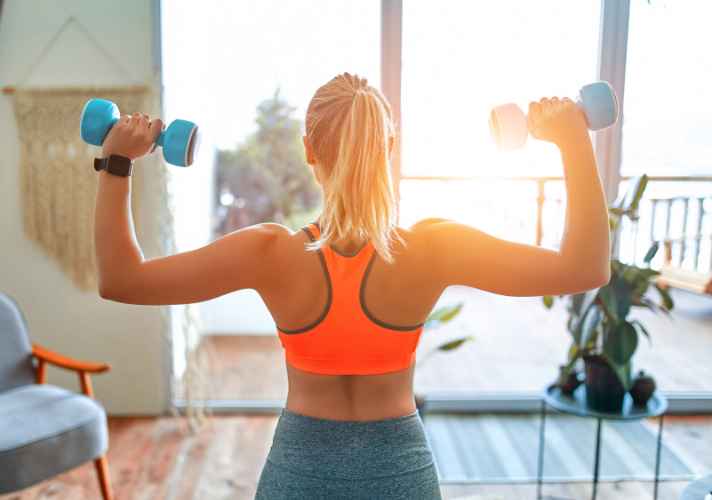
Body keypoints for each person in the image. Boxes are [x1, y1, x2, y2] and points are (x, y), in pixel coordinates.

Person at [93, 73, 610, 499]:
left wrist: (116, 164)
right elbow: (586, 268)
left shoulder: (268, 252)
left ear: (309, 151)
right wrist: (572, 141)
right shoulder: (433, 249)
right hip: (401, 476)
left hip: (299, 475)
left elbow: (121, 280)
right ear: (387, 148)